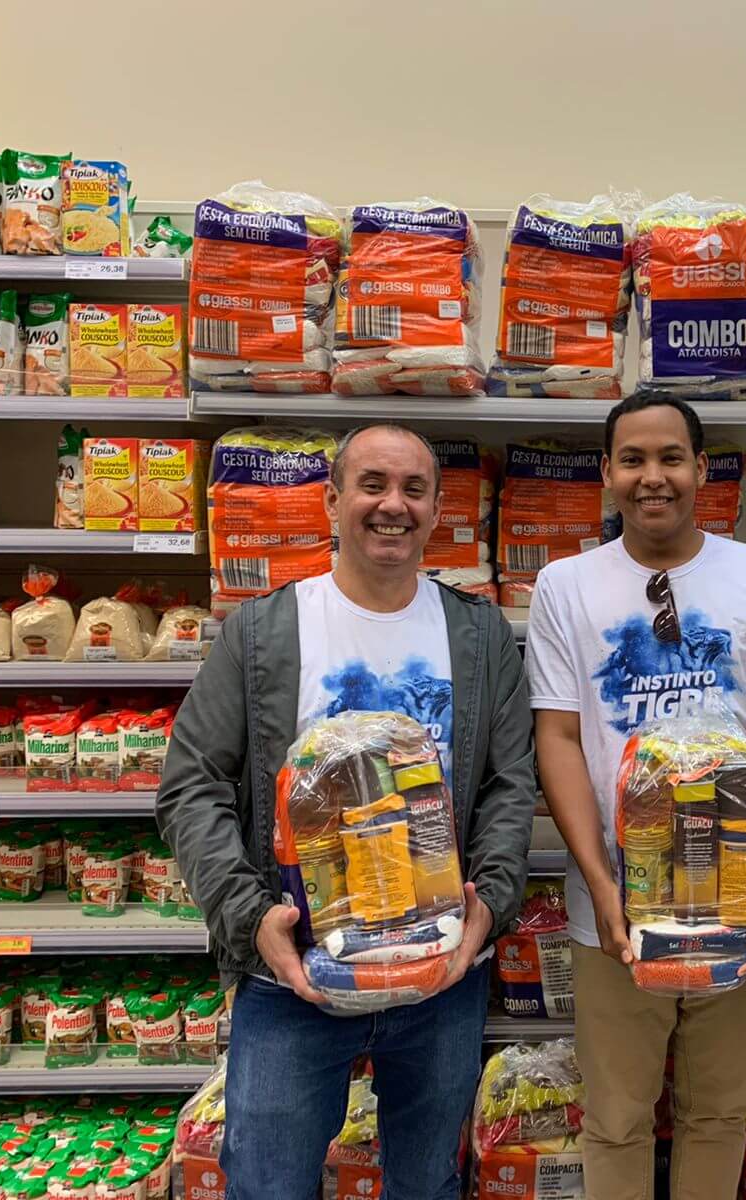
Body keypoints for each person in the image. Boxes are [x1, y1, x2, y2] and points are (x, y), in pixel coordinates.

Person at [157, 423, 535, 1200]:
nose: (393, 505)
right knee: (268, 1185)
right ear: (332, 502)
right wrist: (250, 918)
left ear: (435, 511)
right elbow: (190, 784)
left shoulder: (479, 636)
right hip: (293, 975)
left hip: (440, 975)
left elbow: (509, 784)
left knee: (426, 1185)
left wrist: (489, 906)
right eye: (372, 485)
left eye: (414, 489)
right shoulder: (262, 632)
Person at [524, 394, 746, 1199]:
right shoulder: (565, 584)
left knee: (719, 1113)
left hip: (741, 898)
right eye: (633, 459)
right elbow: (558, 735)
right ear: (607, 472)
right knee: (616, 1116)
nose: (652, 477)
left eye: (670, 458)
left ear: (701, 468)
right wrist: (600, 884)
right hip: (616, 908)